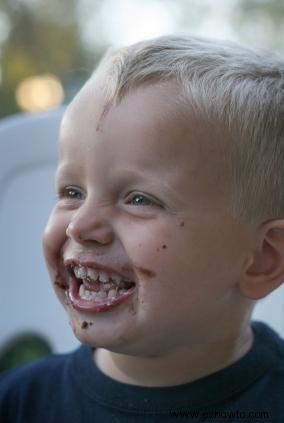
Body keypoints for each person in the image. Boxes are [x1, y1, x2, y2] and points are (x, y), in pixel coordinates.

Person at [1, 34, 284, 422]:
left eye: (139, 199)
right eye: (71, 191)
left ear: (263, 260)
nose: (81, 226)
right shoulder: (20, 404)